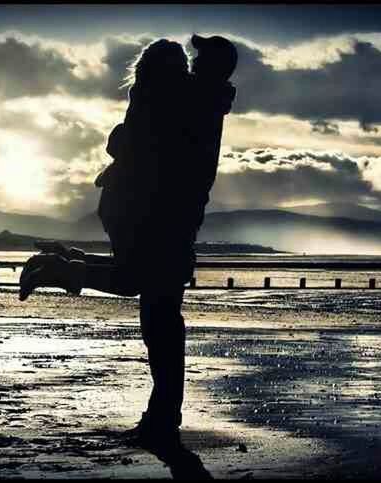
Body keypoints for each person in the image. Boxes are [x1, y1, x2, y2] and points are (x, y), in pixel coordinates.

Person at [19, 35, 238, 457]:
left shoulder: (189, 96)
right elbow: (129, 145)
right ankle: (63, 268)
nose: (190, 63)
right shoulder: (190, 97)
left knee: (156, 312)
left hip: (150, 212)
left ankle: (161, 417)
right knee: (153, 304)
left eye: (194, 58)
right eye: (185, 59)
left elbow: (124, 143)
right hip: (154, 214)